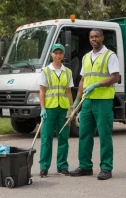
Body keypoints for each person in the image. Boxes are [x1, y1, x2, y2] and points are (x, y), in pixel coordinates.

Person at [69, 29, 120, 180]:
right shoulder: (86, 57)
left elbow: (115, 77)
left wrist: (97, 85)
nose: (94, 39)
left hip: (103, 101)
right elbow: (83, 81)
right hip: (87, 101)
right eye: (92, 37)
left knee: (104, 135)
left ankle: (106, 168)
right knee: (84, 134)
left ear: (102, 38)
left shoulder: (110, 56)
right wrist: (77, 101)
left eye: (97, 36)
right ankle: (85, 166)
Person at [38, 43, 74, 178]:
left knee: (63, 138)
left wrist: (71, 108)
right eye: (55, 53)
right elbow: (42, 92)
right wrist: (42, 108)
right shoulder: (45, 71)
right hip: (49, 109)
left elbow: (69, 92)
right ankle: (44, 167)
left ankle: (62, 166)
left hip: (63, 109)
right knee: (46, 138)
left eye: (60, 53)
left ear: (63, 55)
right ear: (51, 54)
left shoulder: (68, 72)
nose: (58, 55)